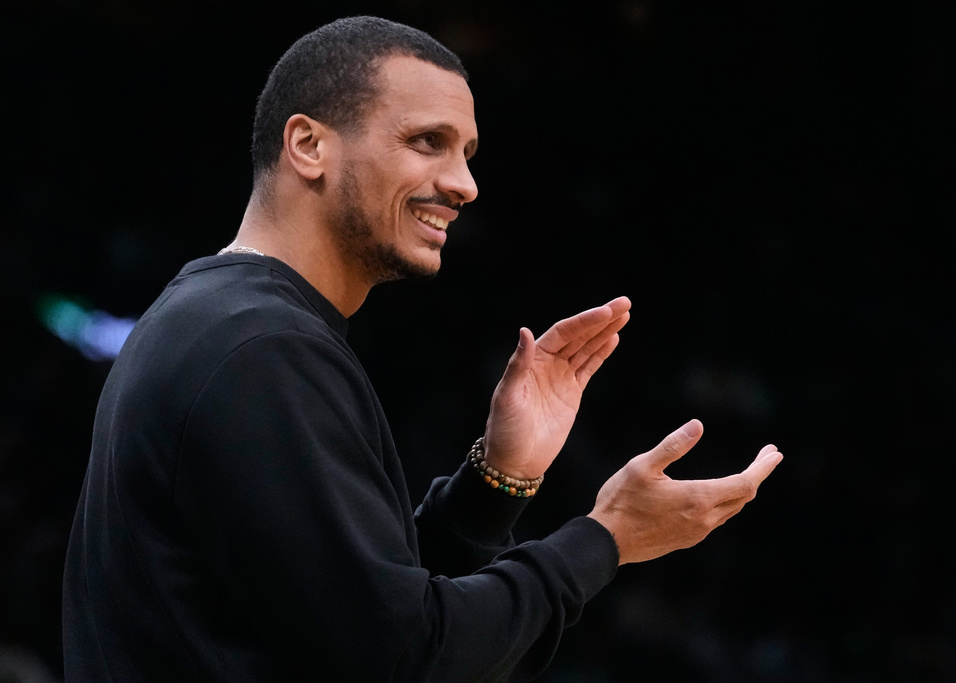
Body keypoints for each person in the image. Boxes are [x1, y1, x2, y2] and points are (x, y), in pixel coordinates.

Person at [61, 15, 783, 682]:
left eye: (466, 153)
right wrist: (607, 537)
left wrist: (496, 480)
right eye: (426, 142)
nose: (464, 184)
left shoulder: (217, 318)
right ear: (308, 145)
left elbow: (353, 613)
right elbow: (405, 659)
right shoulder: (262, 348)